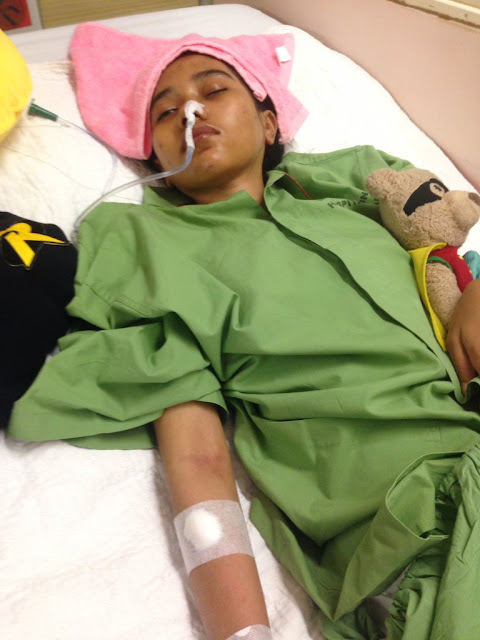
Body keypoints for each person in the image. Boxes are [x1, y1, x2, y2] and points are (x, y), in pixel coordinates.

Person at [9, 26, 480, 640]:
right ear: (155, 162)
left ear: (268, 123)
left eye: (214, 90)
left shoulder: (350, 194)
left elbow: (442, 241)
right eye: (165, 112)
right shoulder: (156, 252)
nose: (191, 112)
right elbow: (197, 457)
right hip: (419, 524)